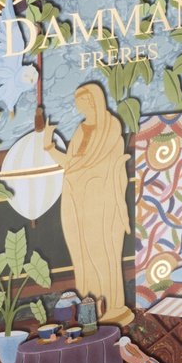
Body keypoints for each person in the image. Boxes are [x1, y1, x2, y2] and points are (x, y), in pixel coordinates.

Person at [43, 82, 133, 325]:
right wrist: (48, 145)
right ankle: (91, 310)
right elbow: (71, 164)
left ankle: (112, 306)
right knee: (83, 253)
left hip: (101, 200)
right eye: (78, 102)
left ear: (94, 101)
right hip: (77, 199)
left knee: (101, 252)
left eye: (82, 101)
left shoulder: (110, 128)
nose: (79, 106)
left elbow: (110, 165)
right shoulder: (81, 131)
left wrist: (92, 175)